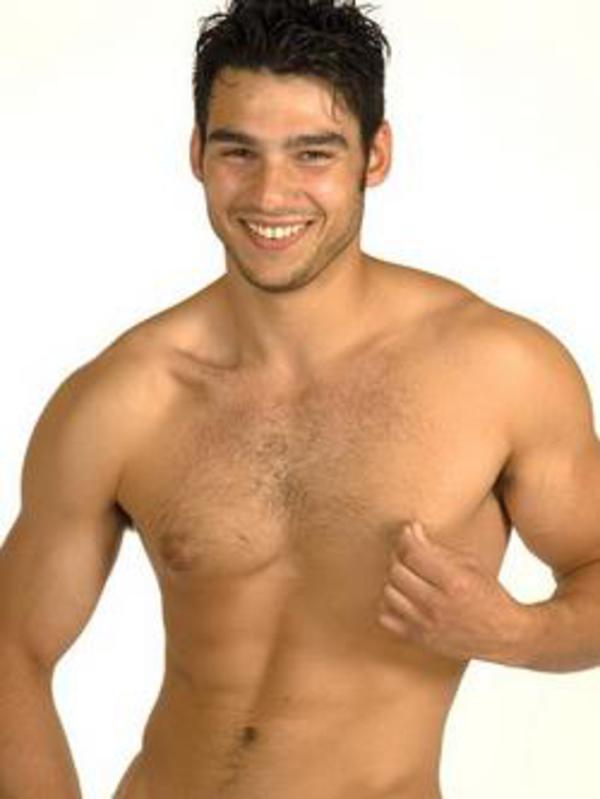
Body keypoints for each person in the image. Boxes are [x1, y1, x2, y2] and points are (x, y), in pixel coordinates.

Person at [2, 0, 600, 797]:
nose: (271, 193)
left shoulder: (502, 372)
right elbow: (12, 646)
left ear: (375, 156)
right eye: (238, 151)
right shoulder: (123, 396)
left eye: (313, 153)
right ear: (197, 154)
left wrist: (515, 631)